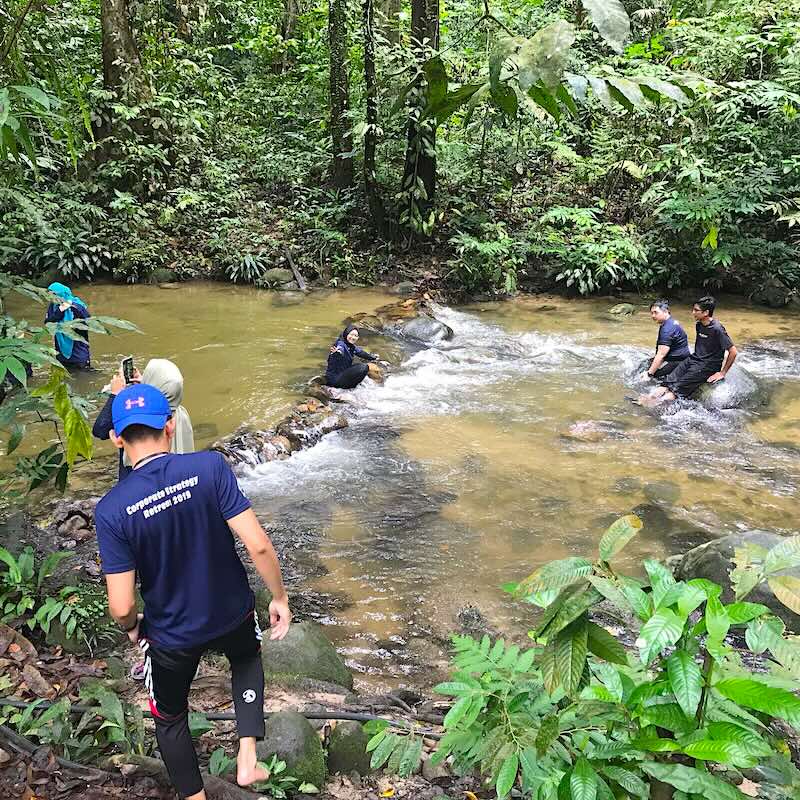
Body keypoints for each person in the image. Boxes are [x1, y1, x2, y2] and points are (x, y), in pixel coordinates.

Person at [95, 384, 291, 799]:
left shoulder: (112, 509)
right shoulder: (210, 467)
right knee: (244, 657)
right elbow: (257, 544)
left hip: (171, 634)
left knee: (169, 717)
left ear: (116, 438)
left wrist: (132, 627)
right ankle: (247, 754)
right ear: (169, 426)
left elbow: (122, 604)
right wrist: (279, 598)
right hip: (231, 612)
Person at [93, 359, 195, 483]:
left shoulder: (140, 417)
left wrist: (116, 395)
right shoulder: (179, 412)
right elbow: (166, 390)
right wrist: (146, 385)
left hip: (137, 483)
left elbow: (100, 430)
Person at [638, 295, 738, 406]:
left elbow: (733, 351)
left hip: (707, 366)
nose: (693, 312)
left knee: (677, 389)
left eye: (696, 310)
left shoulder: (717, 329)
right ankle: (648, 398)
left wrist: (722, 372)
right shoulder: (699, 325)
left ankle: (653, 404)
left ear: (706, 313)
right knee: (668, 381)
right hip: (694, 359)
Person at [45, 282, 91, 369]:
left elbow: (88, 322)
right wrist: (60, 311)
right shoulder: (54, 306)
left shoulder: (76, 307)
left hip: (78, 351)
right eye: (50, 295)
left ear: (62, 294)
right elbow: (48, 323)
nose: (52, 298)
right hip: (61, 352)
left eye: (55, 295)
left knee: (83, 377)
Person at [642, 300, 690, 380]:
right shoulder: (671, 322)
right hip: (681, 358)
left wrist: (649, 374)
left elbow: (661, 355)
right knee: (646, 364)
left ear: (665, 311)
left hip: (677, 362)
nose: (653, 316)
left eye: (655, 312)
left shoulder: (667, 329)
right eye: (651, 313)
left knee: (653, 376)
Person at [325, 324, 379, 389]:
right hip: (334, 380)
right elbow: (340, 349)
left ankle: (352, 388)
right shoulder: (340, 343)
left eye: (355, 336)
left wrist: (373, 358)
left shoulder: (351, 346)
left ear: (358, 337)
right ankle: (349, 388)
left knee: (360, 366)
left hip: (342, 375)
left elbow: (361, 353)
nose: (353, 337)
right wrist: (337, 352)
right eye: (351, 334)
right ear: (346, 334)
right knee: (364, 367)